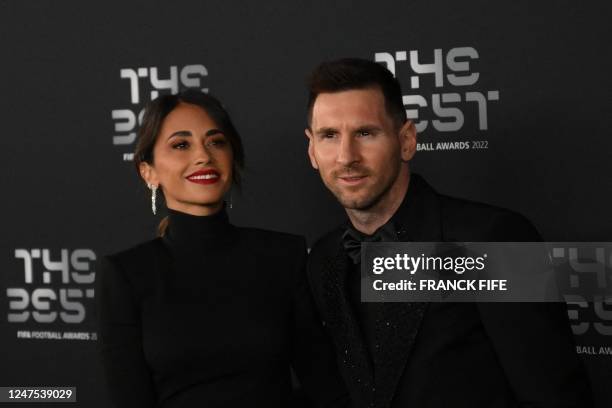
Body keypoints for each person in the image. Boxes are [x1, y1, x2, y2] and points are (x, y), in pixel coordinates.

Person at [303, 58, 592, 408]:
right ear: (312, 150)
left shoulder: (489, 240)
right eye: (329, 136)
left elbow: (554, 396)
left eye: (365, 133)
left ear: (406, 140)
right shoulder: (324, 258)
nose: (346, 156)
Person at [96, 89, 347, 408]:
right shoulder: (126, 274)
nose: (203, 156)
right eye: (181, 144)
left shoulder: (283, 256)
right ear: (149, 171)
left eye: (216, 141)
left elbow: (326, 387)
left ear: (233, 157)